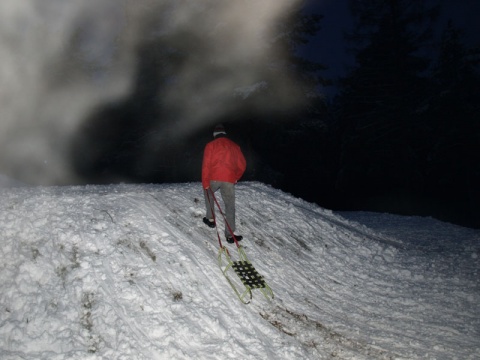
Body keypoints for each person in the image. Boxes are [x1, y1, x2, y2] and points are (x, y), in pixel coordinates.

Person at [202, 124, 246, 243]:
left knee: (208, 193)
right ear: (224, 133)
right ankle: (230, 234)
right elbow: (242, 165)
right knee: (230, 205)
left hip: (214, 177)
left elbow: (206, 165)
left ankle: (210, 219)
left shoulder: (210, 145)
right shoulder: (235, 146)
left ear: (215, 135)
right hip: (229, 179)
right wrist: (235, 177)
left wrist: (205, 182)